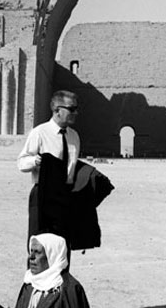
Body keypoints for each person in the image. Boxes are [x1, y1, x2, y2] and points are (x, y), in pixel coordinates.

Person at [17, 90, 114, 256]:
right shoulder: (40, 133)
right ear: (57, 110)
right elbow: (21, 162)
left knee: (63, 244)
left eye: (76, 108)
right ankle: (36, 281)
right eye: (72, 109)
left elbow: (72, 166)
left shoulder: (74, 136)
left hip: (65, 195)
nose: (76, 113)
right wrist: (36, 161)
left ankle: (62, 280)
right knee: (40, 245)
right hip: (43, 193)